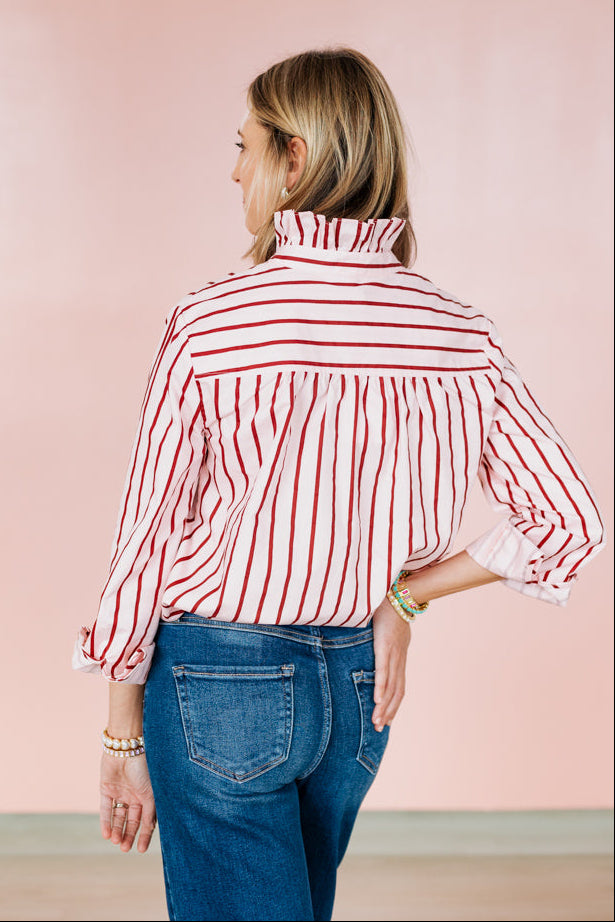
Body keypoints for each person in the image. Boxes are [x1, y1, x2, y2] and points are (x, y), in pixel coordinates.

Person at [72, 46, 606, 922]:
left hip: (215, 675)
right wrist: (404, 596)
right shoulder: (458, 333)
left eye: (244, 144)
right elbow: (568, 520)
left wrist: (119, 731)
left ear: (294, 157)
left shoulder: (211, 322)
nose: (232, 166)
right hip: (354, 694)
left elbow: (147, 539)